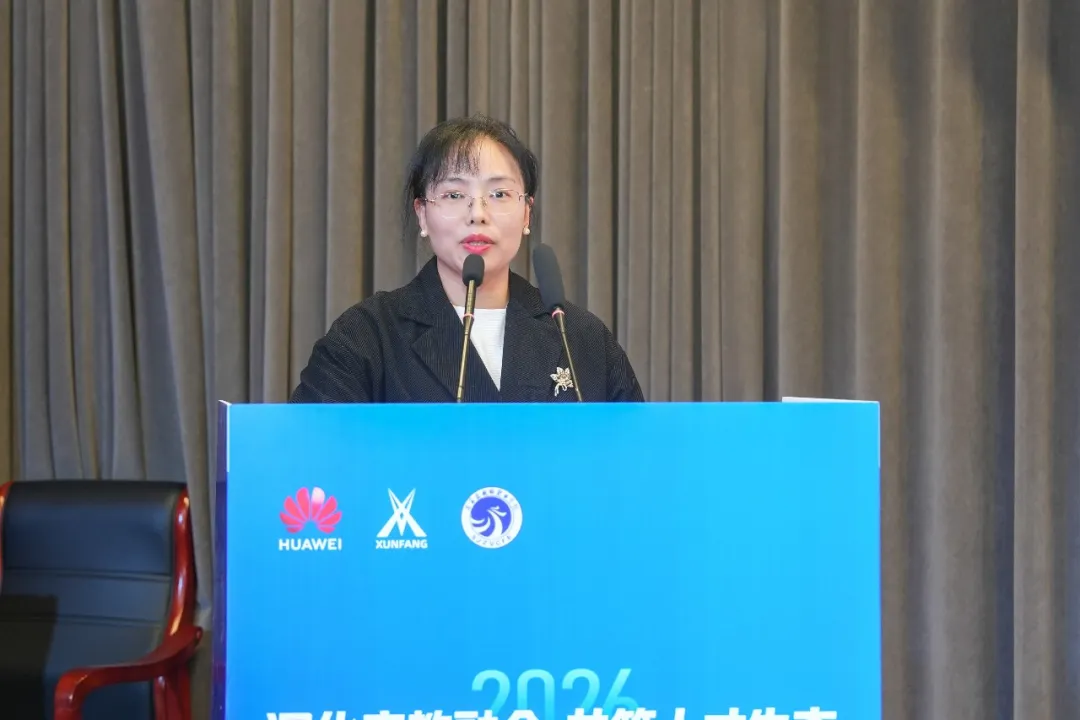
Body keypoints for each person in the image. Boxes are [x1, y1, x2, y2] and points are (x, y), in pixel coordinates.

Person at [289, 114, 643, 404]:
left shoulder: (581, 338)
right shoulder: (369, 336)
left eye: (499, 194)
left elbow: (637, 457)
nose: (478, 214)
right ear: (422, 214)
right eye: (455, 194)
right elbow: (311, 453)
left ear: (526, 214)